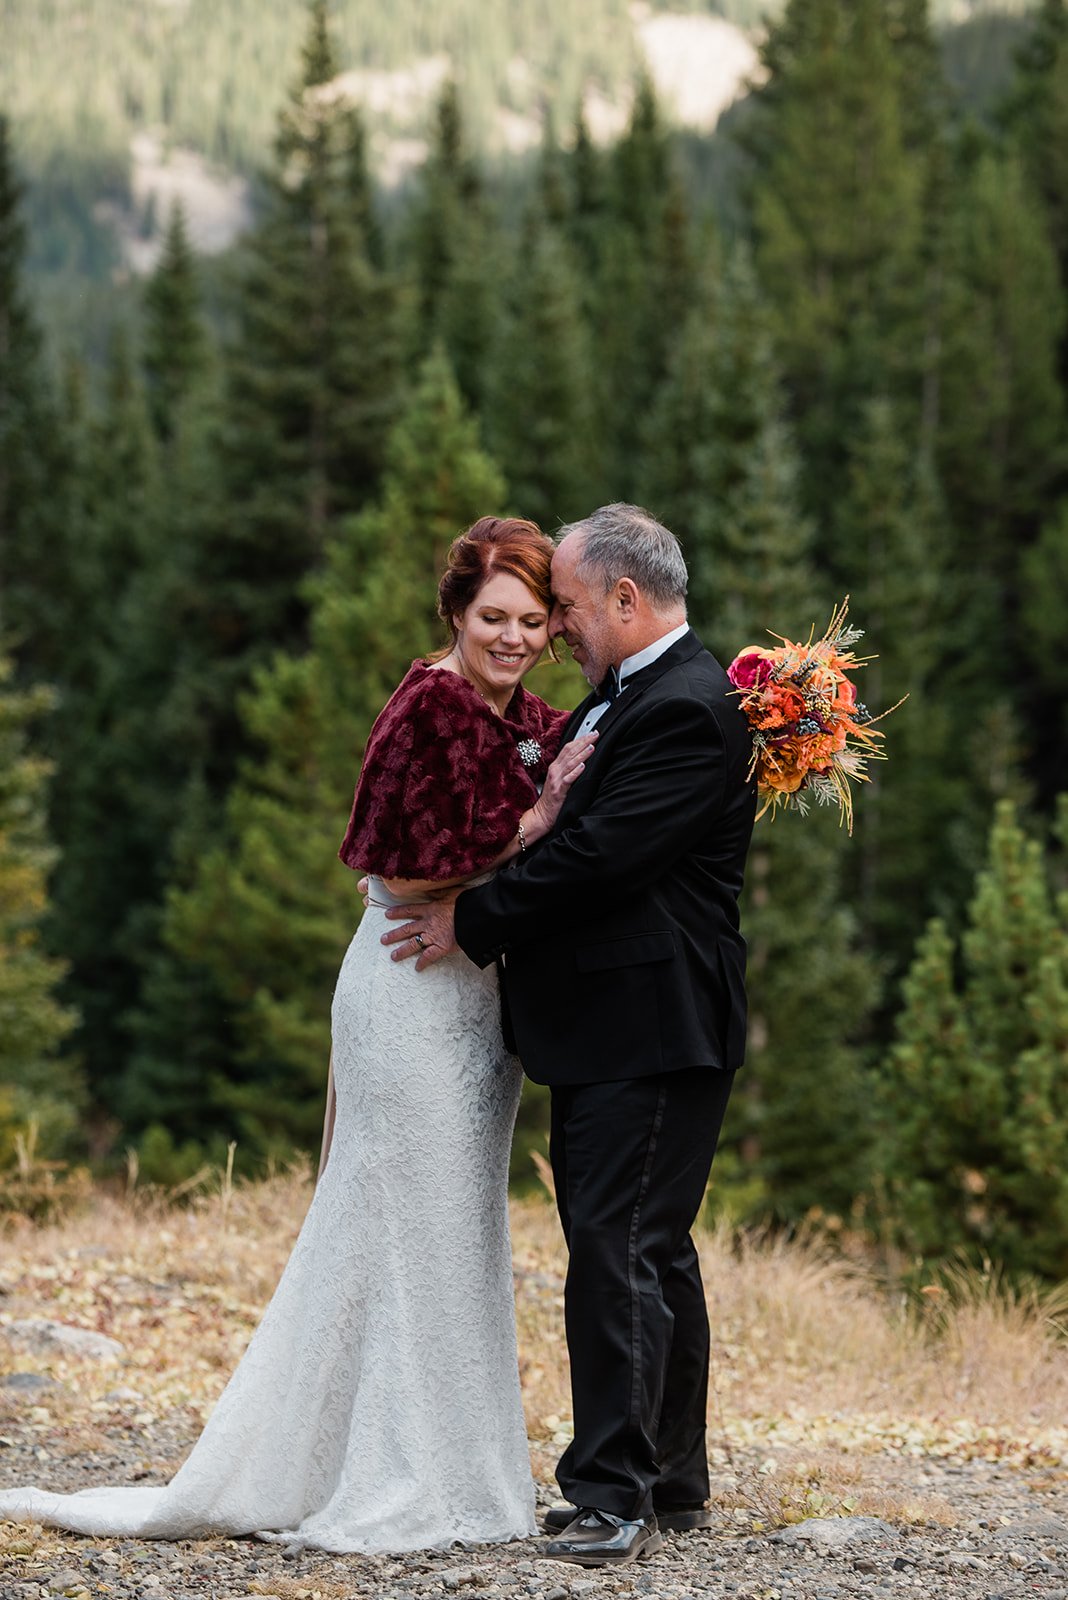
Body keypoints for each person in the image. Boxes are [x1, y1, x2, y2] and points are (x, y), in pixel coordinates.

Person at [0, 515, 595, 1555]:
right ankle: (389, 1474)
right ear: (455, 613)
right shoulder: (426, 708)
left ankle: (449, 1463)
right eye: (491, 615)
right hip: (411, 991)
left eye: (529, 620)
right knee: (405, 1219)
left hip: (474, 1006)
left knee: (457, 1227)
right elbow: (401, 873)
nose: (509, 635)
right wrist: (532, 826)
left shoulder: (524, 715)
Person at [382, 503, 756, 1570]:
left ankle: (612, 1495)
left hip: (647, 1020)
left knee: (618, 1248)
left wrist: (472, 918)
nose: (556, 631)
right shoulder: (632, 694)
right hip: (626, 1020)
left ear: (628, 601)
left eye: (571, 610)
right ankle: (673, 1481)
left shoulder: (686, 707)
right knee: (654, 1249)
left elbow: (600, 858)